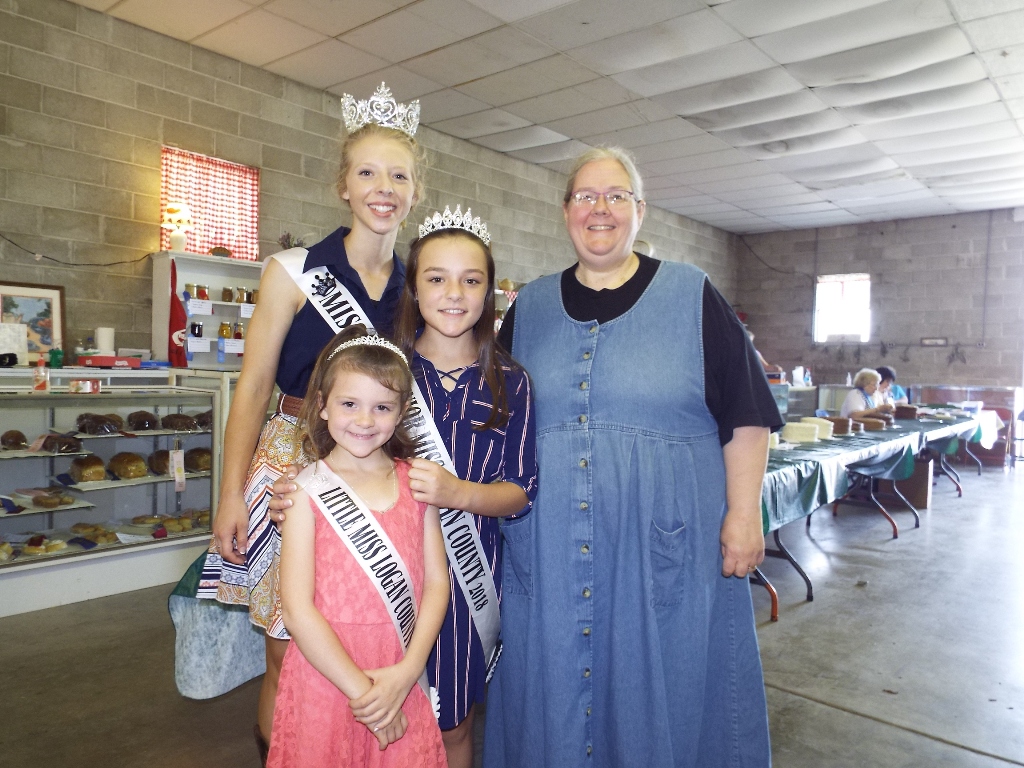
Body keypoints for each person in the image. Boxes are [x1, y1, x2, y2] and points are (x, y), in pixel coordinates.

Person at [487, 147, 781, 767]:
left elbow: (748, 413)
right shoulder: (529, 308)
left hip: (666, 550)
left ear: (639, 211)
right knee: (555, 691)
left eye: (616, 196)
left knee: (669, 689)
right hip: (551, 553)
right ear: (566, 210)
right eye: (586, 196)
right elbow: (491, 417)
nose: (601, 209)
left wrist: (743, 514)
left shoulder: (693, 295)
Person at [194, 83, 424, 760]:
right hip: (291, 461)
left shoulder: (417, 289)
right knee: (286, 647)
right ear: (343, 186)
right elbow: (253, 387)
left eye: (399, 176)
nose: (383, 189)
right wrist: (230, 495)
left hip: (376, 468)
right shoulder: (293, 272)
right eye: (368, 173)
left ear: (415, 192)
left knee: (366, 636)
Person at [393, 207, 538, 768]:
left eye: (471, 280)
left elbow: (521, 489)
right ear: (414, 288)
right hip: (386, 567)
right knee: (382, 713)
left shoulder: (512, 382)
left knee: (452, 724)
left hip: (468, 580)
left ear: (488, 293)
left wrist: (459, 494)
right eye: (437, 278)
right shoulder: (386, 371)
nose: (454, 294)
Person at [268, 327, 449, 767]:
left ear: (401, 412)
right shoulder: (304, 492)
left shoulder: (416, 484)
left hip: (397, 670)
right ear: (322, 405)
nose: (365, 420)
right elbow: (296, 610)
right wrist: (365, 696)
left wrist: (406, 675)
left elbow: (436, 584)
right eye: (349, 404)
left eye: (382, 407)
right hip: (329, 675)